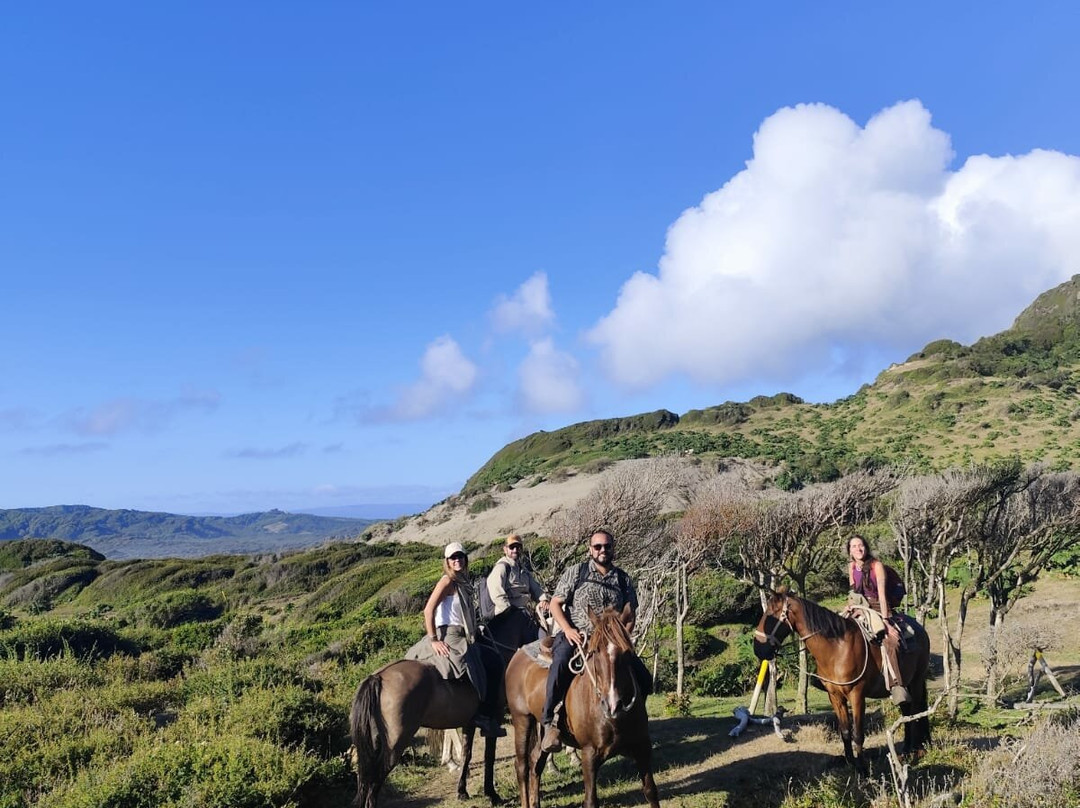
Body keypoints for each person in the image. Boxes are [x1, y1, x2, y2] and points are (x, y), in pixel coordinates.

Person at [540, 529, 644, 753]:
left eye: (606, 546)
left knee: (643, 675)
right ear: (590, 550)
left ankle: (636, 724)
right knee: (560, 663)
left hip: (610, 641)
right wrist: (567, 630)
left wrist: (623, 637)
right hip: (578, 635)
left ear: (613, 548)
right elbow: (556, 604)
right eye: (597, 547)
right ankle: (550, 721)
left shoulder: (623, 578)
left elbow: (630, 613)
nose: (602, 550)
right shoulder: (576, 572)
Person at [404, 542, 505, 736]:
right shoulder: (447, 582)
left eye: (460, 556)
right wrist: (434, 639)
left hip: (465, 632)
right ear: (447, 562)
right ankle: (481, 714)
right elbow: (428, 610)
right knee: (477, 663)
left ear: (465, 559)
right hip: (451, 635)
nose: (457, 560)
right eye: (453, 558)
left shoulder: (463, 581)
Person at [846, 534, 911, 706]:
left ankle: (897, 684)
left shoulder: (877, 566)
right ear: (849, 551)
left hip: (878, 607)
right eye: (853, 546)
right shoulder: (851, 567)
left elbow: (882, 596)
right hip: (860, 607)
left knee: (891, 641)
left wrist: (886, 620)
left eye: (860, 545)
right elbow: (853, 593)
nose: (858, 549)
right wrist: (849, 606)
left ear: (865, 547)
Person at [486, 533, 550, 652]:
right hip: (508, 616)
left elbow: (535, 588)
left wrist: (543, 599)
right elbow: (496, 591)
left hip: (524, 615)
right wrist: (509, 611)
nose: (515, 550)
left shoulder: (523, 570)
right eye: (512, 547)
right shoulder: (502, 568)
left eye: (518, 547)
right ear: (505, 549)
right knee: (536, 646)